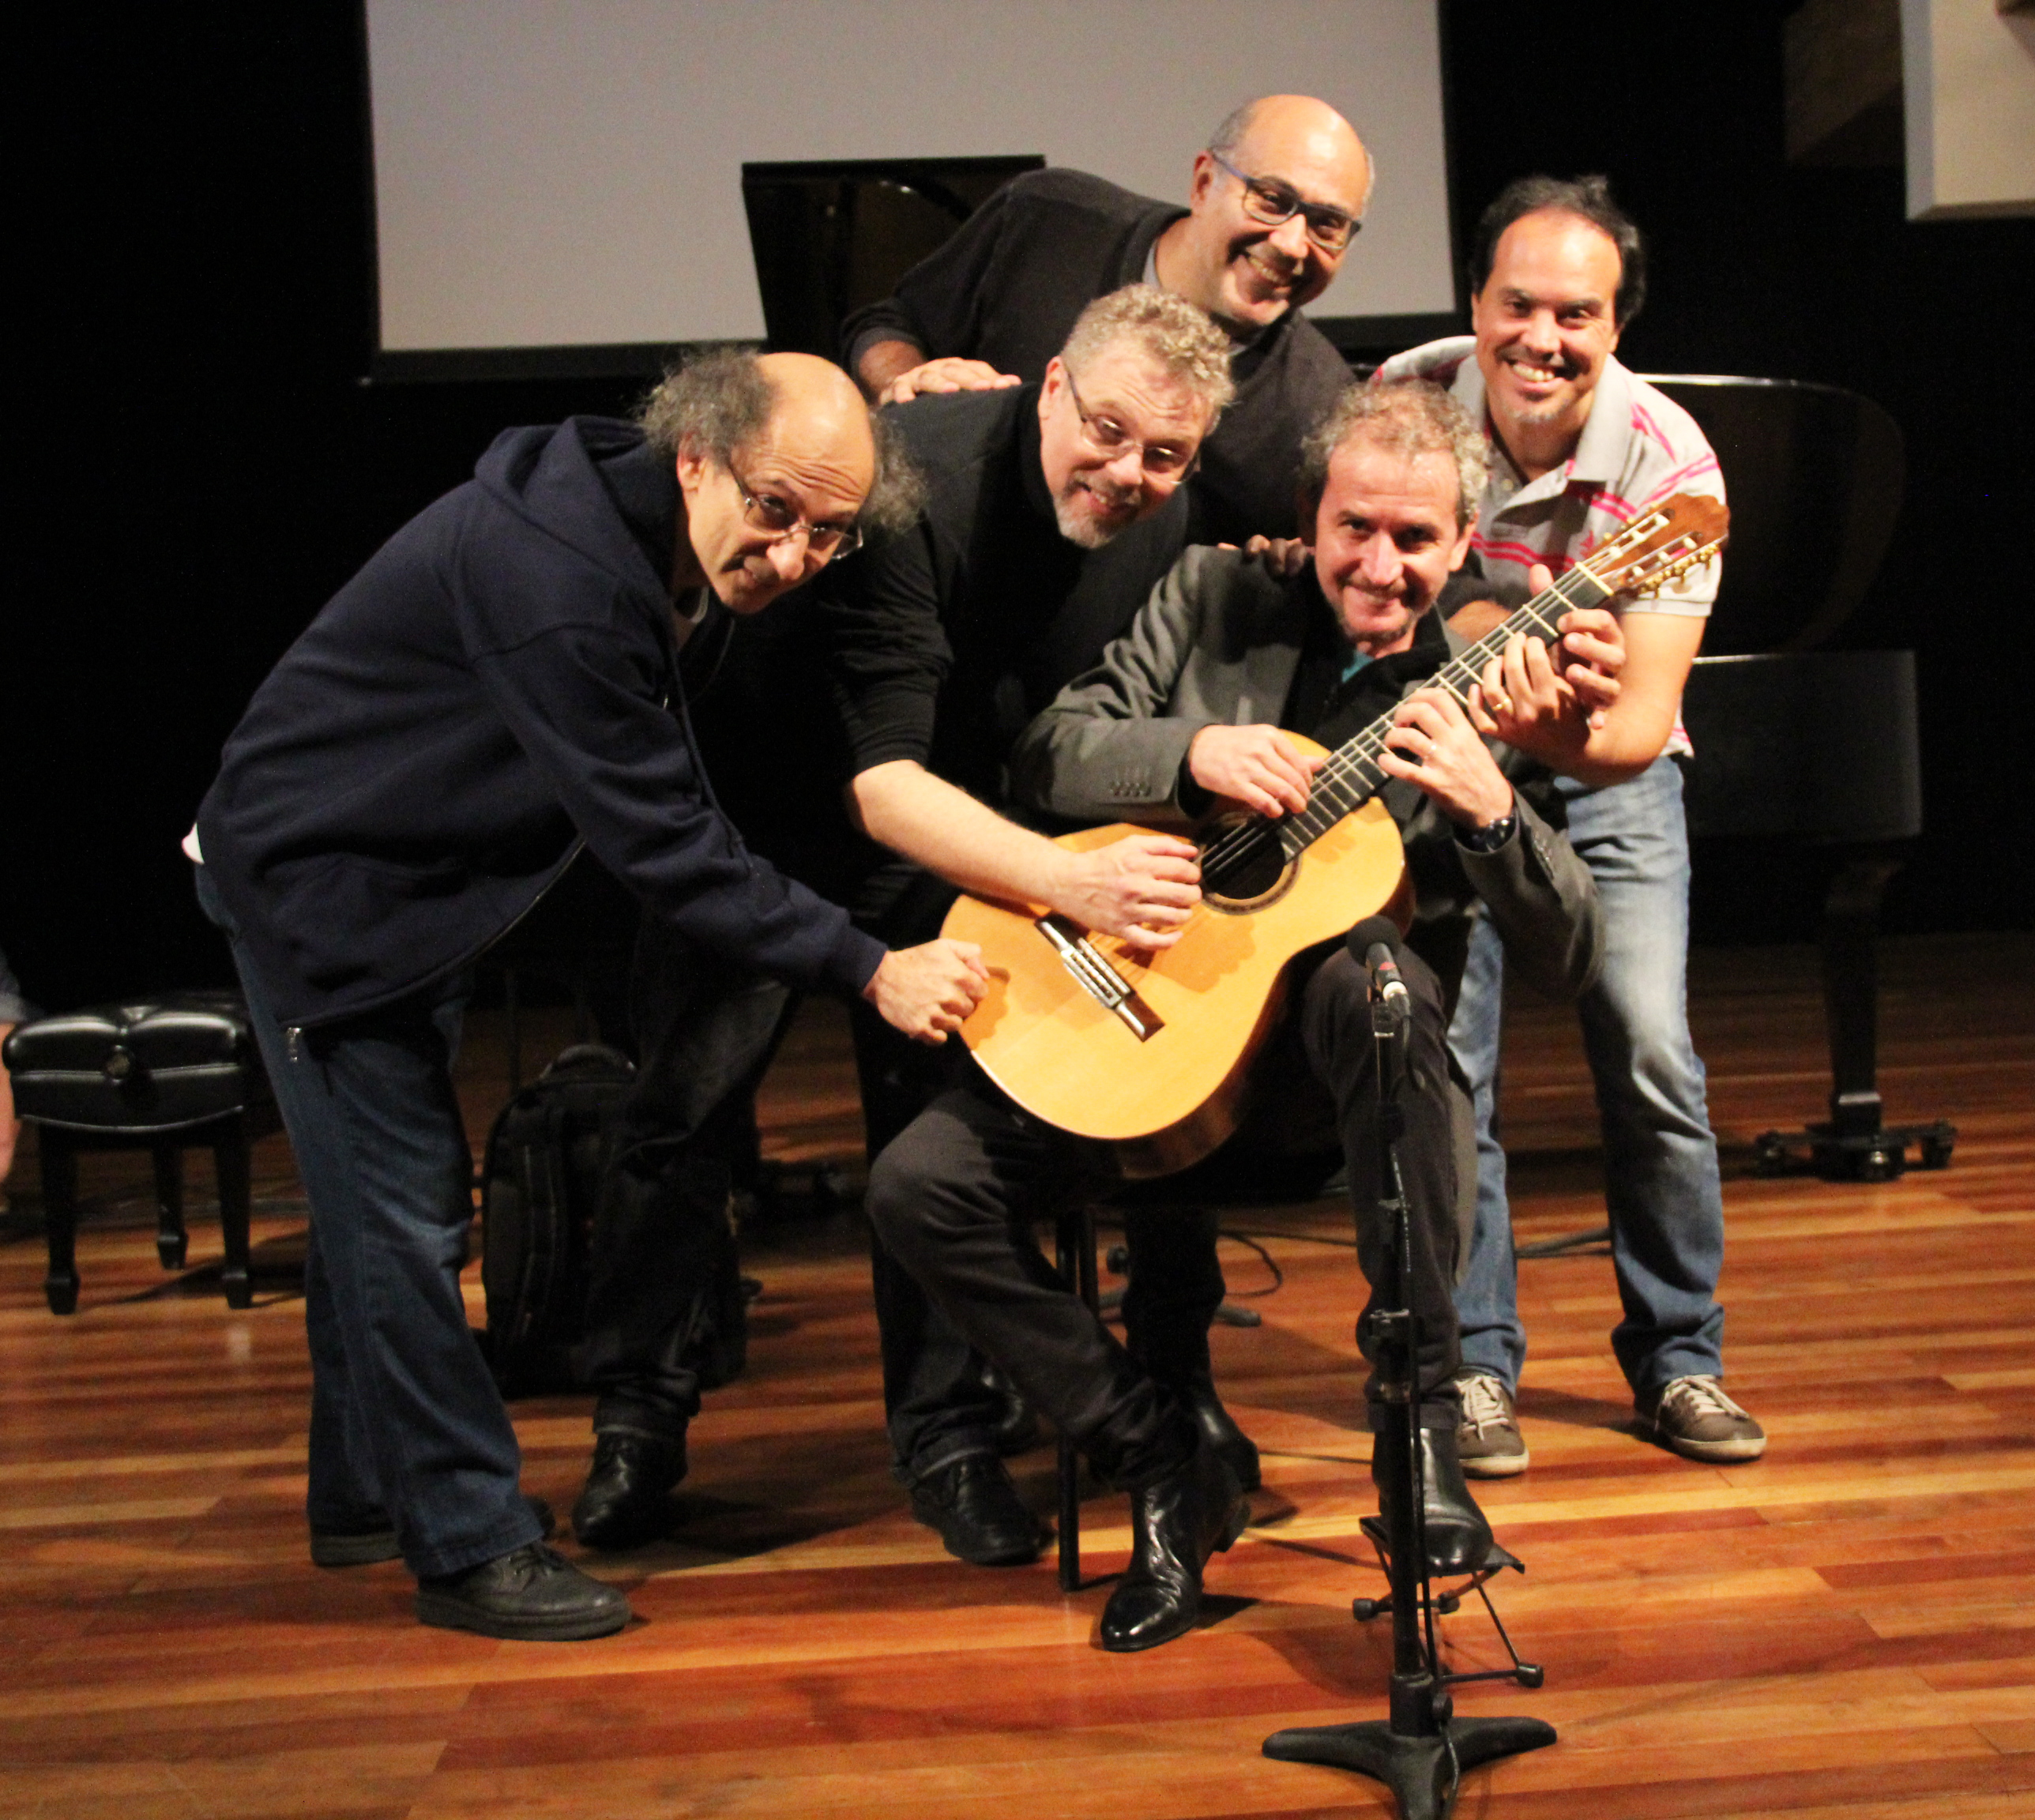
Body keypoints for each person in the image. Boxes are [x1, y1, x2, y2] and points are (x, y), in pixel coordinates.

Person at [191, 351, 987, 1641]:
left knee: (368, 1210)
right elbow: (667, 844)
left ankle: (365, 1492)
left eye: (829, 532)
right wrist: (869, 964)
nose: (793, 555)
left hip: (401, 886)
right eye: (776, 510)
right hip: (318, 891)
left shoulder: (641, 523)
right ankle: (469, 1541)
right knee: (404, 1216)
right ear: (695, 455)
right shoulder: (559, 583)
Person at [862, 380, 1618, 1653]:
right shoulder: (1214, 596)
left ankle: (1420, 1437)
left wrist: (1491, 810)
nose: (1379, 564)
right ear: (1313, 518)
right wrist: (1188, 758)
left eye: (1415, 538)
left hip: (1332, 1101)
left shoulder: (1480, 685)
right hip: (1141, 1032)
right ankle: (1158, 1457)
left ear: (1461, 545)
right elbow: (1049, 749)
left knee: (1375, 983)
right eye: (1354, 527)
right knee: (914, 1187)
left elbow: (1576, 956)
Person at [1376, 175, 1765, 1474]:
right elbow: (1363, 588)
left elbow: (1638, 726)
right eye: (1518, 304)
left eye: (1576, 314)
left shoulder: (1672, 467)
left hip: (1599, 768)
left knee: (1651, 1051)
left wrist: (1536, 723)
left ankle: (1681, 1358)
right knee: (1453, 1065)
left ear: (1616, 325)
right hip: (1445, 758)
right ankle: (1476, 1366)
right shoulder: (1405, 398)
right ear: (1475, 302)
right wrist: (1471, 647)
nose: (1541, 338)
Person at [841, 94, 1369, 543]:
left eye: (1328, 225)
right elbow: (888, 323)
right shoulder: (1047, 219)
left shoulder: (1320, 406)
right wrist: (909, 382)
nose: (1292, 244)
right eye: (1272, 200)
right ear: (1204, 182)